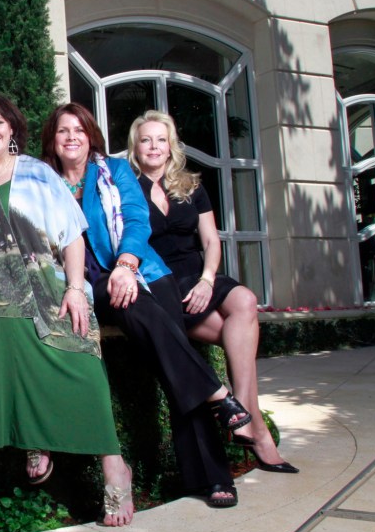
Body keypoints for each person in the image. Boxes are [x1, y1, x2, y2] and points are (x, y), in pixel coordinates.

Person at [43, 102, 251, 508]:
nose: (71, 137)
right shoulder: (44, 180)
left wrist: (126, 264)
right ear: (52, 139)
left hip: (145, 273)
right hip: (89, 283)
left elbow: (136, 220)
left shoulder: (115, 171)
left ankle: (210, 478)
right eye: (63, 130)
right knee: (176, 351)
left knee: (171, 365)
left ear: (91, 137)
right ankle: (218, 395)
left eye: (79, 130)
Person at [0, 93, 134, 526]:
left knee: (82, 359)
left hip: (53, 280)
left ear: (12, 128)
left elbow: (73, 234)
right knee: (12, 339)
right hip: (1, 289)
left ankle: (115, 466)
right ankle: (36, 439)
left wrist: (76, 288)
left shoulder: (38, 172)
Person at [128, 110, 297, 473]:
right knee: (238, 334)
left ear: (171, 145)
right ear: (136, 146)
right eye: (146, 140)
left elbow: (210, 240)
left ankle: (244, 416)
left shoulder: (191, 185)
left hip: (198, 273)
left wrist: (207, 279)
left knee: (246, 301)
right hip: (162, 282)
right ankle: (257, 430)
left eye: (161, 139)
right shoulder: (126, 186)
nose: (154, 146)